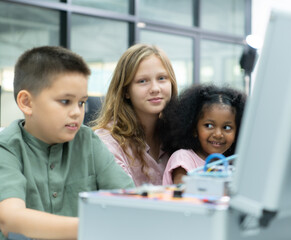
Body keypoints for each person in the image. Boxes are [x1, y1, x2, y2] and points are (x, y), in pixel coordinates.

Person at [0, 46, 135, 240]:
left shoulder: (87, 140)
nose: (77, 112)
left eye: (81, 102)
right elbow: (11, 220)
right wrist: (95, 227)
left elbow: (129, 198)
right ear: (27, 103)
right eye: (65, 101)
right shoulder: (6, 148)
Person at [92, 43, 178, 186]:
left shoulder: (179, 136)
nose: (155, 88)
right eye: (142, 81)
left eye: (162, 78)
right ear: (126, 91)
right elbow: (124, 201)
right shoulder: (108, 142)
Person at [162, 84, 246, 185]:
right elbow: (184, 193)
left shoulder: (232, 164)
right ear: (194, 129)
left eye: (227, 127)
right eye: (209, 125)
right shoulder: (183, 158)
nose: (218, 134)